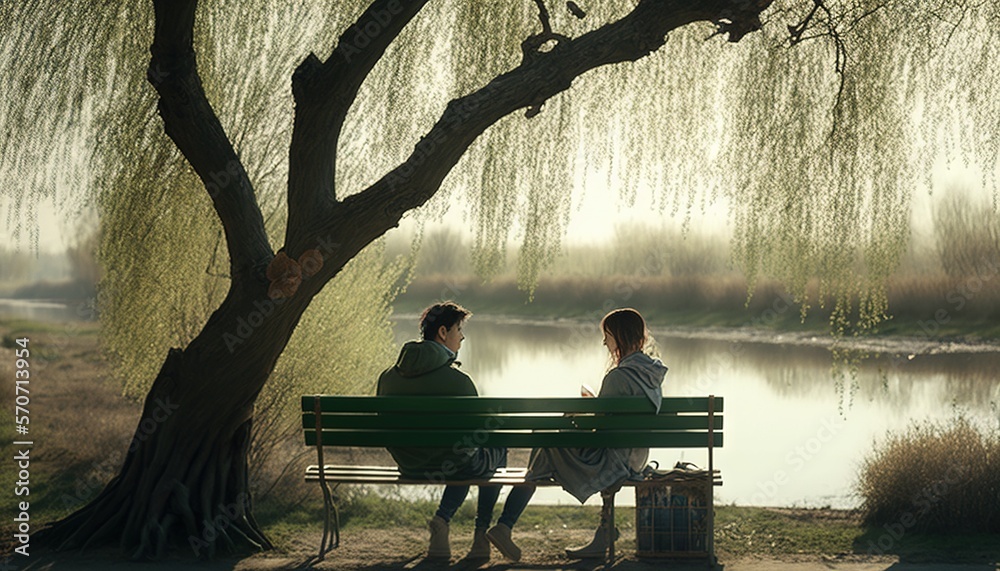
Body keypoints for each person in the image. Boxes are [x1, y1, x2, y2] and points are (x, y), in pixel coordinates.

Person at [483, 308, 668, 560]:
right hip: (635, 455)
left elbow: (602, 430)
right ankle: (602, 533)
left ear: (621, 336)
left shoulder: (619, 376)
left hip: (614, 457)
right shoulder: (652, 374)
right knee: (549, 444)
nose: (604, 342)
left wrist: (582, 415)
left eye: (608, 335)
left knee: (546, 444)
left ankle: (505, 525)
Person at [376, 301, 506, 562]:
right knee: (493, 448)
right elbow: (479, 431)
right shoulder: (459, 381)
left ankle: (442, 523)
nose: (463, 337)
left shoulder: (388, 377)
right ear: (443, 332)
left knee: (459, 457)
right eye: (459, 330)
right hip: (453, 465)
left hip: (409, 464)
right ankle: (479, 538)